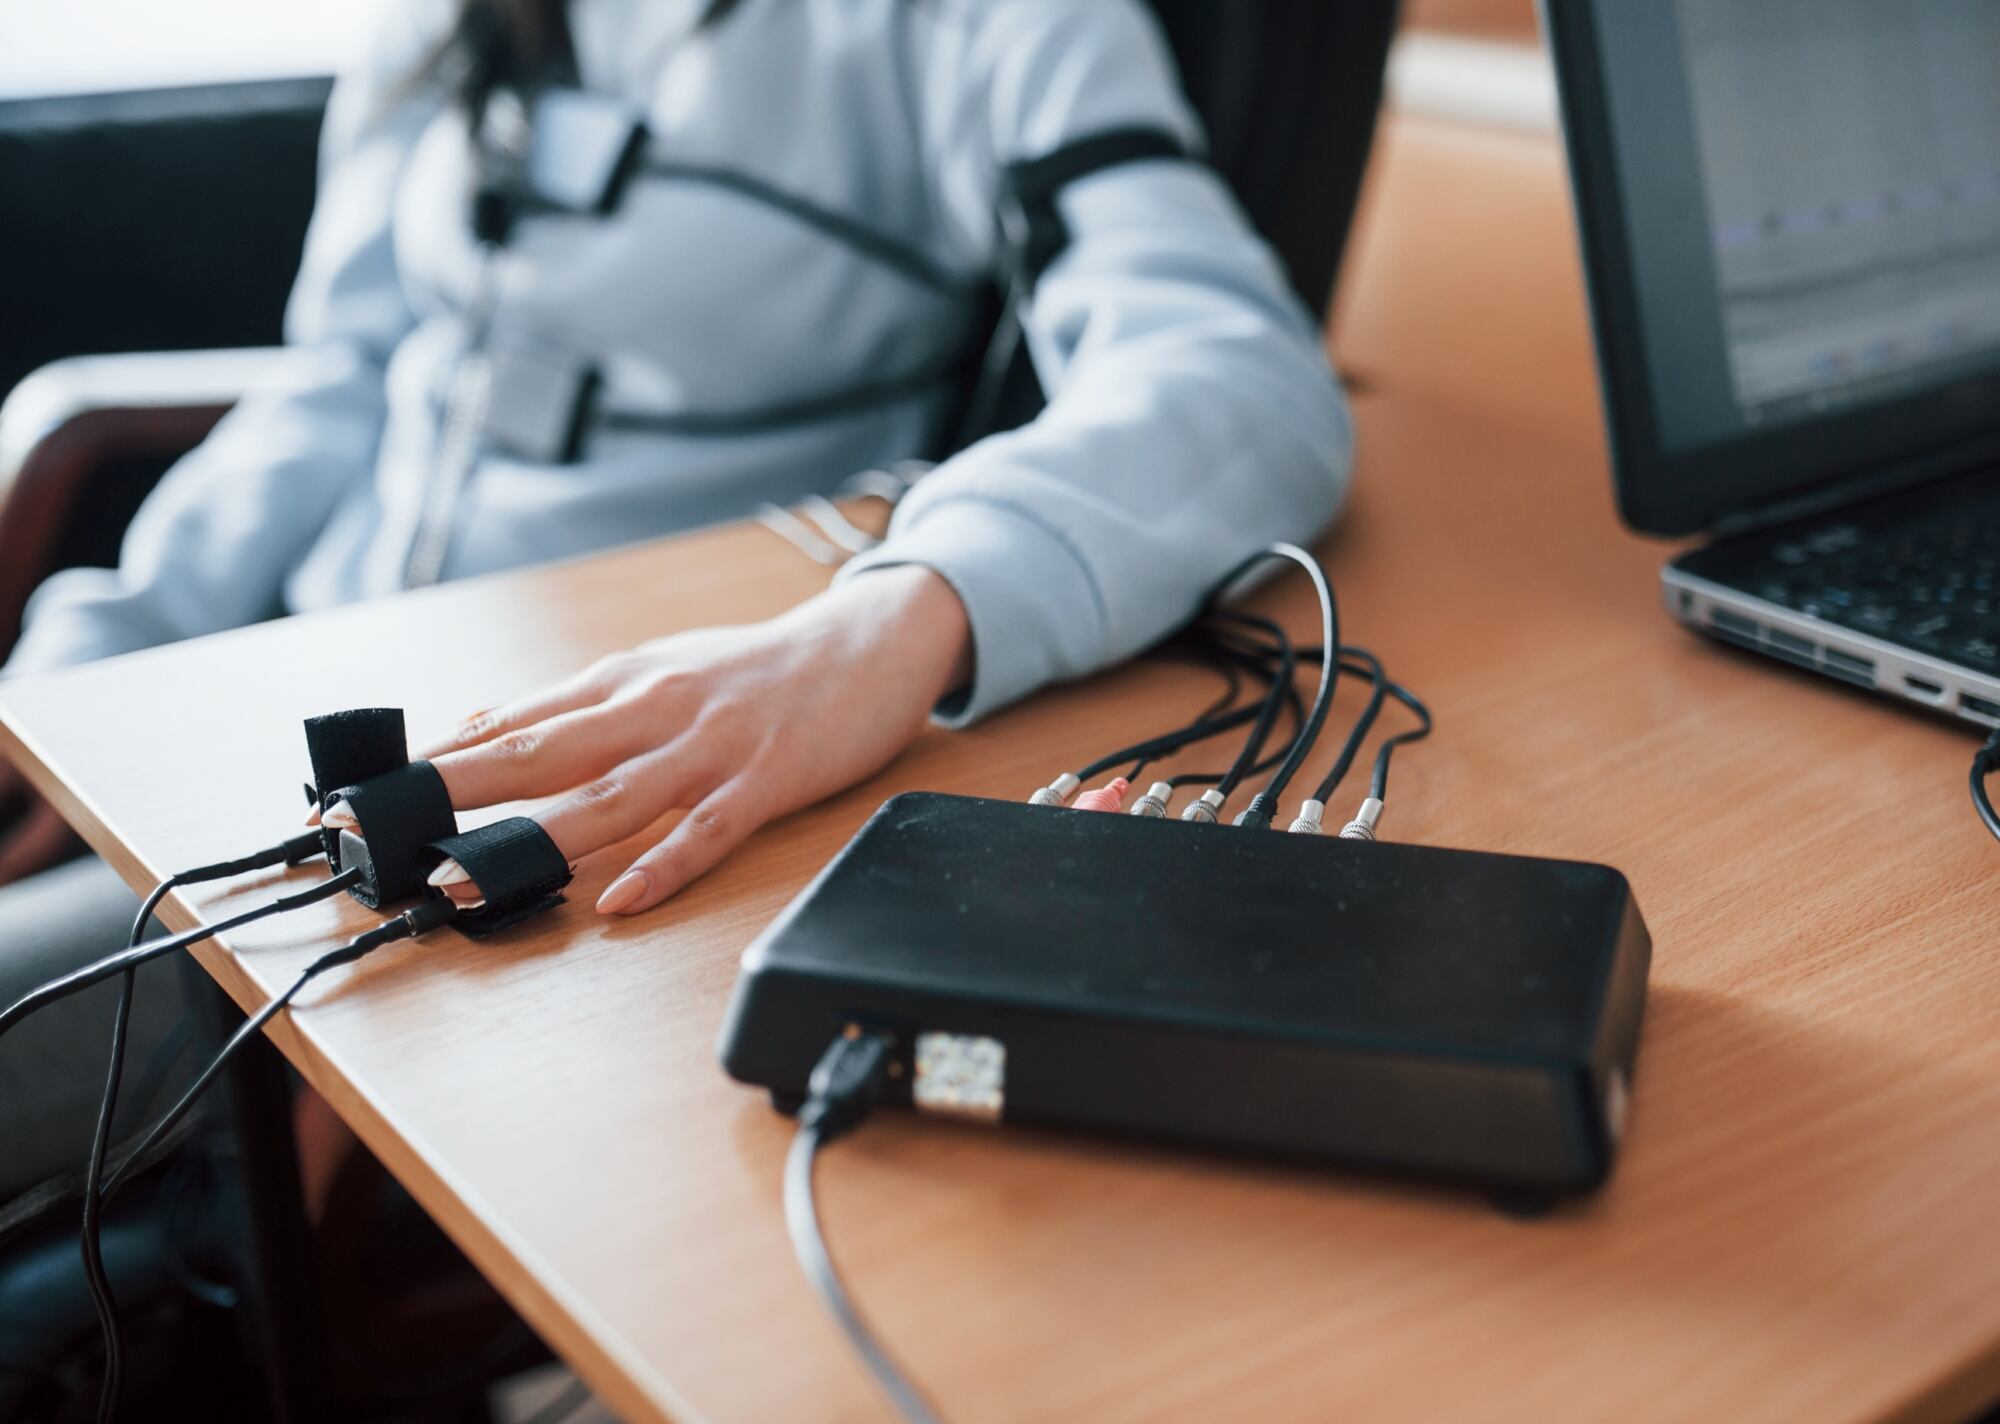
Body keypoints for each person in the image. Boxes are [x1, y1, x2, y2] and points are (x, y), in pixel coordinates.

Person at [0, 0, 1350, 1204]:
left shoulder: (974, 24)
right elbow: (344, 371)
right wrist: (96, 660)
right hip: (236, 701)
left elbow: (1239, 372)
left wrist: (888, 619)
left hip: (526, 811)